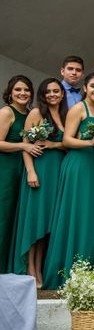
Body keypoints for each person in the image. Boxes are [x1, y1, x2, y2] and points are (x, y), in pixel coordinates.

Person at [43, 73, 94, 289]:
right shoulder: (79, 109)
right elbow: (67, 140)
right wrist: (90, 142)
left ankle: (85, 267)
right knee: (75, 213)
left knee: (90, 215)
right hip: (78, 165)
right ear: (85, 88)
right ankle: (65, 270)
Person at [11, 78, 67, 286]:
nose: (52, 95)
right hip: (40, 172)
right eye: (48, 92)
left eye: (56, 91)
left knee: (48, 224)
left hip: (58, 173)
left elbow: (67, 144)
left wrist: (53, 144)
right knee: (36, 220)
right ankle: (31, 270)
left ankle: (40, 267)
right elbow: (25, 146)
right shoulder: (36, 113)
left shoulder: (65, 115)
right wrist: (31, 172)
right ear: (42, 95)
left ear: (62, 94)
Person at [0, 75, 36, 273]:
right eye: (18, 90)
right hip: (6, 170)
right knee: (3, 217)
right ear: (10, 93)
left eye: (26, 90)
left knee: (16, 217)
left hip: (23, 170)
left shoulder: (30, 114)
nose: (22, 93)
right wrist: (22, 145)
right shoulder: (7, 112)